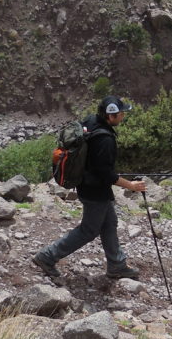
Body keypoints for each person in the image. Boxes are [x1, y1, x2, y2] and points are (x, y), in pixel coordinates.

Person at [32, 95, 146, 280]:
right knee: (88, 230)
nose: (124, 116)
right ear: (111, 116)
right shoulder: (105, 140)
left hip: (86, 184)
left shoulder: (91, 122)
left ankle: (117, 264)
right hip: (95, 191)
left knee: (109, 223)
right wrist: (131, 185)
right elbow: (106, 175)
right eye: (121, 113)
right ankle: (47, 256)